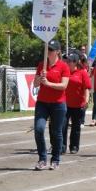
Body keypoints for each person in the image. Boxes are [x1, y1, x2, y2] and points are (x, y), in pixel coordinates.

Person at [32, 39, 70, 170]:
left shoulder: (63, 66)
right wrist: (39, 78)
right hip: (42, 102)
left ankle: (55, 160)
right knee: (39, 129)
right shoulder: (42, 65)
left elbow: (64, 86)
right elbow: (36, 84)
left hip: (58, 104)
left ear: (58, 52)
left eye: (51, 50)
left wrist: (48, 83)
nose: (48, 52)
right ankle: (42, 159)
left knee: (56, 132)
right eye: (47, 49)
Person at [62, 52, 91, 154]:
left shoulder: (82, 72)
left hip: (78, 105)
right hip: (65, 104)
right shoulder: (64, 72)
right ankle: (62, 146)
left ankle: (74, 146)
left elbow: (87, 88)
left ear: (75, 62)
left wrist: (86, 101)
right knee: (63, 125)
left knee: (75, 127)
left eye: (70, 61)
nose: (67, 62)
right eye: (67, 61)